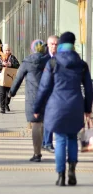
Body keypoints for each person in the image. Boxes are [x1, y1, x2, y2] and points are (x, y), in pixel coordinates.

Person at [34, 32, 93, 186]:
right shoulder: (82, 64)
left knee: (60, 140)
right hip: (75, 106)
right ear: (73, 45)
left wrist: (37, 107)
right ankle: (72, 170)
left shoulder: (53, 63)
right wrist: (87, 108)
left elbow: (44, 87)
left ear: (60, 44)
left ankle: (61, 176)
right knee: (72, 138)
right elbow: (89, 88)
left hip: (57, 106)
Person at [9, 39, 49, 162]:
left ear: (32, 49)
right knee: (43, 122)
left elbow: (18, 78)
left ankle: (37, 153)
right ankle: (45, 144)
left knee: (36, 124)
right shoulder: (50, 61)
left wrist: (11, 93)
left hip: (33, 97)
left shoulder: (27, 61)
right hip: (48, 96)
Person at [42, 35, 59, 153]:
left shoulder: (61, 58)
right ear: (48, 45)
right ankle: (46, 142)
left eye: (56, 44)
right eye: (52, 44)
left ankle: (46, 142)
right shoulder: (43, 58)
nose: (54, 46)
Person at [0, 44, 20, 113]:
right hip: (0, 78)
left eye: (8, 50)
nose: (7, 52)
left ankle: (6, 104)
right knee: (2, 93)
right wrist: (2, 65)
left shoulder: (12, 58)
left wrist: (10, 64)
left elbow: (18, 65)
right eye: (6, 50)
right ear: (3, 50)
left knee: (9, 93)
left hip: (9, 78)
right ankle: (2, 107)